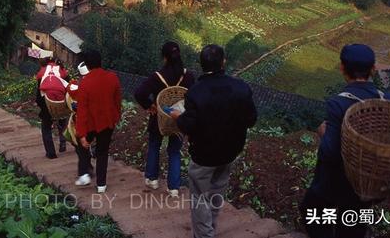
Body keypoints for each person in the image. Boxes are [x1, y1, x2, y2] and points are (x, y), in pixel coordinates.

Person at [300, 44, 390, 238]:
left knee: (312, 212)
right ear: (373, 69)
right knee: (353, 224)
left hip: (335, 181)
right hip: (369, 180)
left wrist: (323, 132)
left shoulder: (339, 103)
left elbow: (331, 152)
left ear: (342, 69)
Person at [170, 44, 256, 238]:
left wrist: (178, 117)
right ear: (223, 62)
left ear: (201, 65)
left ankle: (204, 234)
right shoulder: (241, 88)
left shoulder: (195, 92)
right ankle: (210, 227)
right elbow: (251, 120)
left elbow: (189, 125)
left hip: (204, 155)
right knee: (217, 190)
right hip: (230, 151)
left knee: (199, 196)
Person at [134, 41, 195, 197]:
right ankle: (174, 187)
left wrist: (149, 106)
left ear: (164, 58)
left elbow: (139, 93)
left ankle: (152, 179)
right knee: (175, 151)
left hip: (160, 118)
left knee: (155, 145)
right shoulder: (188, 76)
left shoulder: (157, 77)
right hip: (180, 118)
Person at [74, 49, 122, 193]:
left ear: (87, 66)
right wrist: (116, 117)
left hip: (90, 123)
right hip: (107, 122)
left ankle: (84, 174)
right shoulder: (113, 77)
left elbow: (82, 110)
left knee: (81, 146)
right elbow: (117, 101)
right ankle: (101, 185)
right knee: (102, 152)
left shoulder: (85, 83)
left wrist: (82, 133)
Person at [35, 56, 69, 159]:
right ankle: (63, 143)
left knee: (46, 126)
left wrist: (42, 108)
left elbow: (39, 94)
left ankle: (51, 153)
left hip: (47, 101)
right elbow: (68, 86)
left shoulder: (41, 72)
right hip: (61, 100)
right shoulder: (62, 70)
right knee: (63, 121)